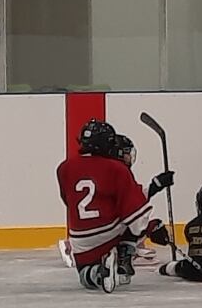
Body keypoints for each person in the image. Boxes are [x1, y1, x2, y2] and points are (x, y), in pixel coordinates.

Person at [56, 119, 171, 293]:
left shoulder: (64, 168)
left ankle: (98, 273)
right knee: (137, 221)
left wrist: (154, 186)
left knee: (84, 275)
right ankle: (123, 258)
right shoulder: (116, 169)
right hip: (108, 234)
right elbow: (135, 214)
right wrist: (152, 228)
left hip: (80, 240)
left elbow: (68, 201)